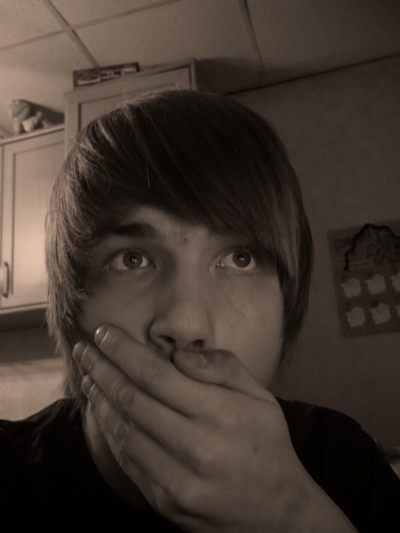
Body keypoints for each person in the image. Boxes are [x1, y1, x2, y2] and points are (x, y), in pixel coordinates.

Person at [1, 89, 399, 532]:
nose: (186, 325)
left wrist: (290, 511)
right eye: (133, 259)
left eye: (240, 259)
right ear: (71, 307)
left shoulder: (347, 464)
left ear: (288, 306)